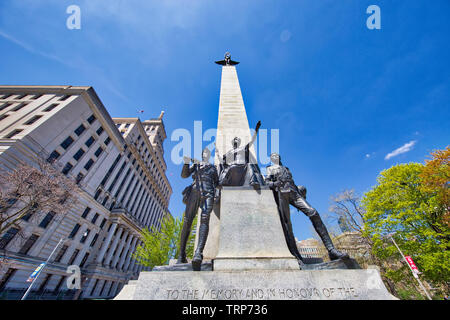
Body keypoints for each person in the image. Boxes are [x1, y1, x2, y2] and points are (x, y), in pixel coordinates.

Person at [265, 152, 349, 261]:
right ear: (271, 159)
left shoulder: (286, 168)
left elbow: (291, 182)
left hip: (294, 193)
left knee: (313, 212)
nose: (275, 157)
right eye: (273, 156)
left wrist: (301, 189)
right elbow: (267, 183)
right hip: (282, 194)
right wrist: (275, 184)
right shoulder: (270, 169)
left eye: (277, 156)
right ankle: (296, 256)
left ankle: (331, 250)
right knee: (287, 224)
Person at [177, 148, 219, 271]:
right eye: (203, 153)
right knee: (187, 221)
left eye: (207, 153)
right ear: (201, 155)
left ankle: (198, 253)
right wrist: (186, 163)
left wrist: (216, 193)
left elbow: (217, 183)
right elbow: (184, 175)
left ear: (209, 155)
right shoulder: (196, 164)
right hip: (195, 192)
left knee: (205, 220)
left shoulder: (213, 168)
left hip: (208, 193)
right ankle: (181, 255)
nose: (205, 154)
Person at [218, 120, 265, 187]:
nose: (236, 141)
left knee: (249, 166)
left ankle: (254, 182)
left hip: (243, 166)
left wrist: (256, 130)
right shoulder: (230, 152)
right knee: (231, 168)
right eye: (235, 140)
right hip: (233, 166)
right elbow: (222, 161)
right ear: (233, 142)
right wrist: (217, 154)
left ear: (239, 142)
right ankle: (224, 181)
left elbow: (252, 141)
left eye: (237, 140)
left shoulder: (243, 148)